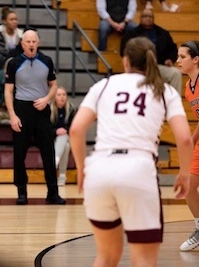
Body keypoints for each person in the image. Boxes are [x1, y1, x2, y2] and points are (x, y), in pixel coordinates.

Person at [69, 36, 193, 266]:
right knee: (144, 259)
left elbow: (75, 130)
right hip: (138, 169)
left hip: (100, 170)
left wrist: (82, 170)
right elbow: (185, 139)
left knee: (106, 257)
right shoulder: (165, 90)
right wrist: (184, 173)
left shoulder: (104, 85)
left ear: (125, 61)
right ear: (152, 61)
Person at [4, 29, 65, 205]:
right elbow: (8, 91)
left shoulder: (46, 61)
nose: (31, 44)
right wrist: (13, 116)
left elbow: (54, 85)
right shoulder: (14, 63)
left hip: (42, 109)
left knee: (49, 152)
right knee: (19, 153)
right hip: (22, 109)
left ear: (38, 43)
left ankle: (53, 193)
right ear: (22, 43)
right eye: (27, 41)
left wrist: (47, 99)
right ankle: (21, 192)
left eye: (34, 41)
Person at [120, 8, 182, 93]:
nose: (148, 18)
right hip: (138, 68)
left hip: (158, 67)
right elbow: (123, 50)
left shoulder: (163, 33)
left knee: (175, 73)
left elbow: (172, 49)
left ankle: (174, 102)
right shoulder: (131, 34)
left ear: (153, 18)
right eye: (145, 16)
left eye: (150, 16)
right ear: (140, 18)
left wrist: (170, 59)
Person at [177, 40, 199, 252]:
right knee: (189, 187)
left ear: (195, 59)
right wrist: (192, 141)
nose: (178, 61)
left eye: (182, 57)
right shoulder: (188, 88)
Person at [49, 86, 77, 186]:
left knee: (64, 137)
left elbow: (74, 127)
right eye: (59, 95)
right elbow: (45, 129)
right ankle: (62, 175)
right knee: (66, 146)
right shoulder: (49, 109)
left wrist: (65, 131)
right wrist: (56, 131)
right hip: (50, 138)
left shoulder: (72, 109)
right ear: (54, 97)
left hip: (66, 137)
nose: (62, 97)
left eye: (64, 95)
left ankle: (55, 162)